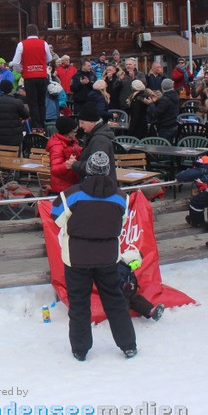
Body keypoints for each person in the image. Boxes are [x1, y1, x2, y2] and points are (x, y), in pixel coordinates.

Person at [50, 151, 138, 361]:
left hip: (76, 258)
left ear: (87, 169)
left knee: (79, 303)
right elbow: (123, 220)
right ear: (108, 171)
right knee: (115, 301)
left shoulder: (71, 195)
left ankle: (80, 349)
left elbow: (56, 217)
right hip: (108, 258)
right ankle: (128, 345)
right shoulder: (121, 197)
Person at [10, 24, 52, 132]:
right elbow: (49, 58)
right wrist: (40, 64)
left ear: (27, 33)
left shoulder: (21, 44)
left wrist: (22, 70)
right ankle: (42, 125)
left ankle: (35, 126)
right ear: (37, 32)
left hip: (29, 76)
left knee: (32, 103)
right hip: (42, 75)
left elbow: (15, 62)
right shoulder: (44, 43)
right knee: (41, 102)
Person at [67, 102, 117, 182]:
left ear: (92, 122)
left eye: (82, 122)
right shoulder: (94, 137)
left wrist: (74, 164)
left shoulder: (100, 140)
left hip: (99, 188)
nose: (80, 126)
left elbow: (97, 167)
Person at [47, 116, 83, 193]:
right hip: (62, 188)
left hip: (72, 183)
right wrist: (66, 165)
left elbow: (79, 150)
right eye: (74, 131)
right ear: (68, 132)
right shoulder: (57, 146)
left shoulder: (71, 143)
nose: (76, 134)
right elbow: (54, 169)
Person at [0, 80, 29, 148]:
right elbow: (26, 115)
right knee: (15, 157)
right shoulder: (17, 102)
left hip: (0, 137)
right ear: (12, 89)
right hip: (15, 137)